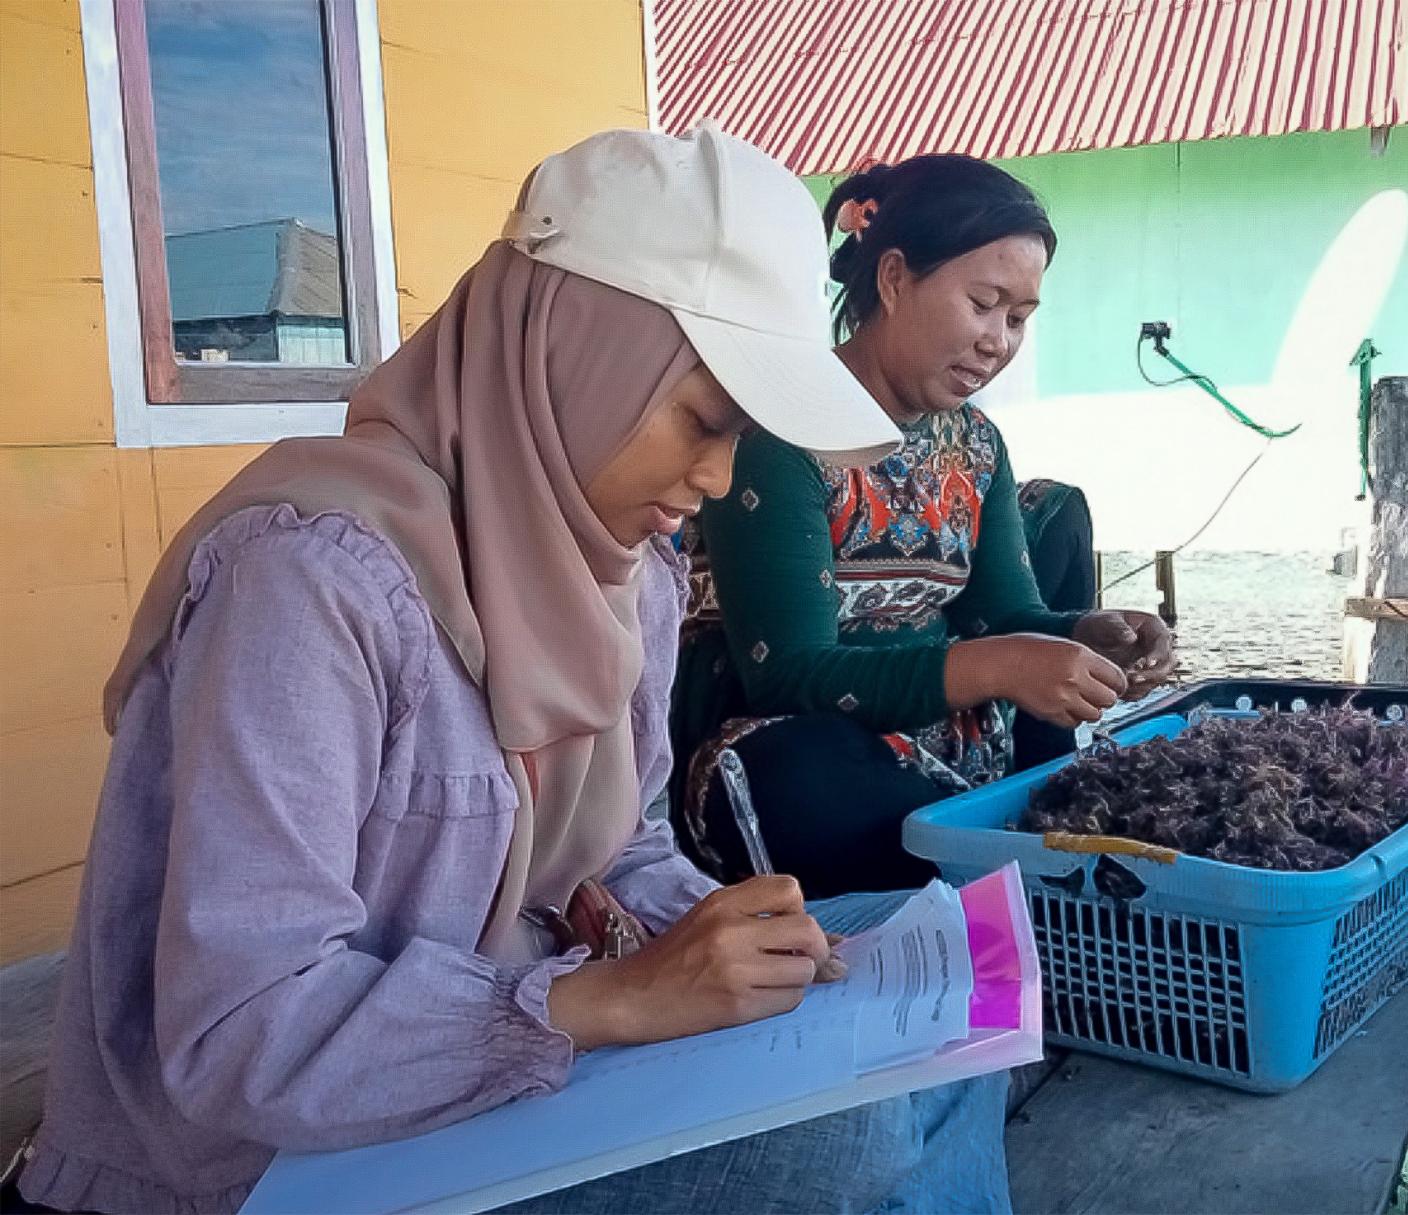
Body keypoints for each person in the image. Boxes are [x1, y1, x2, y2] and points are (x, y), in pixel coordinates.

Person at [9, 125, 1012, 1215]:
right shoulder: (310, 583)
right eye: (700, 421)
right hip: (272, 1160)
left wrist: (720, 937)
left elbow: (623, 850)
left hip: (516, 1054)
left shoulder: (625, 573)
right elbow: (240, 1031)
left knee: (956, 1007)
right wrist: (604, 1003)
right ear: (577, 359)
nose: (718, 478)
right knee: (847, 1141)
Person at [671, 155, 1176, 898]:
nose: (998, 341)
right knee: (800, 778)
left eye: (1018, 319)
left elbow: (1004, 614)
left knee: (1058, 512)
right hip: (803, 737)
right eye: (983, 303)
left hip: (943, 730)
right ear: (895, 277)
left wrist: (1081, 633)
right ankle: (990, 863)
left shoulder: (973, 443)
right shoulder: (782, 434)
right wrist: (1003, 664)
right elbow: (789, 673)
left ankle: (993, 843)